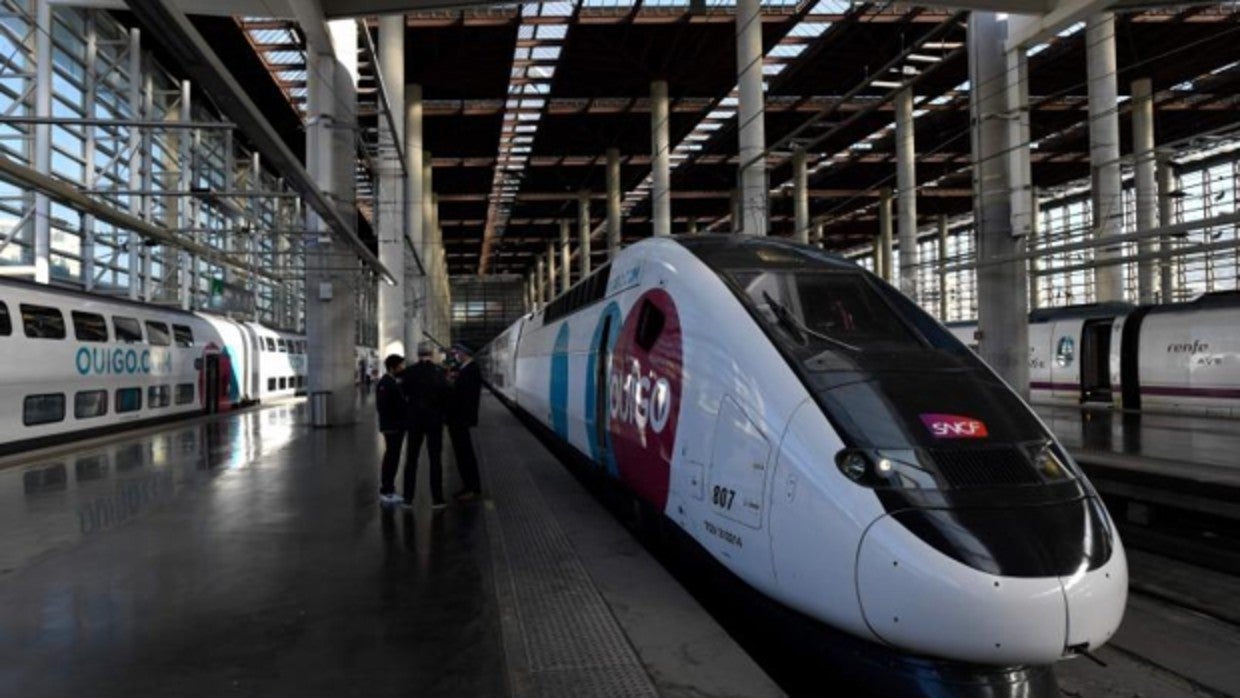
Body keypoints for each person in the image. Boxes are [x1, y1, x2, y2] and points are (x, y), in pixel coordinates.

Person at [400, 341, 449, 510]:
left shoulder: (409, 372)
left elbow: (404, 393)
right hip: (434, 421)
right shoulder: (440, 372)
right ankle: (437, 499)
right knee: (435, 459)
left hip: (414, 421)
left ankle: (408, 498)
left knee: (411, 459)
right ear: (432, 354)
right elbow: (446, 395)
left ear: (418, 354)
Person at [446, 344, 482, 501]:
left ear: (465, 353)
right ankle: (468, 486)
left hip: (460, 419)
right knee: (463, 454)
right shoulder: (468, 369)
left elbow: (463, 396)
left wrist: (450, 386)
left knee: (465, 454)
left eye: (458, 353)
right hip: (461, 419)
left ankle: (472, 488)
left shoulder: (470, 370)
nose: (456, 355)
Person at [375, 354, 407, 506]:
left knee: (392, 456)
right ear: (392, 367)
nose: (402, 368)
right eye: (400, 366)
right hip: (393, 427)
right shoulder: (386, 383)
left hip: (394, 426)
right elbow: (384, 407)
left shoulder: (390, 382)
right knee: (392, 458)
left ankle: (388, 488)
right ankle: (387, 490)